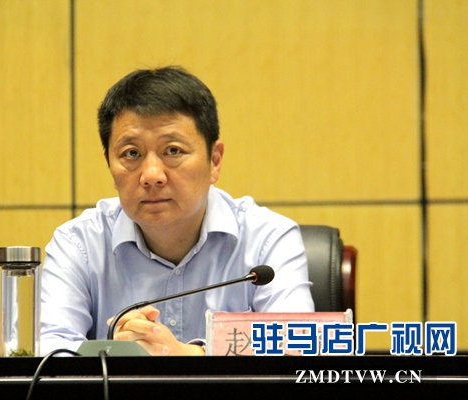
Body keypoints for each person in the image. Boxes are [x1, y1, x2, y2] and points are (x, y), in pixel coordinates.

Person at [40, 66, 314, 356]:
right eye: (131, 153)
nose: (152, 175)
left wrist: (192, 356)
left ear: (214, 160)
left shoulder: (267, 239)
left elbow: (298, 344)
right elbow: (46, 347)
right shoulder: (79, 244)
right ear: (109, 163)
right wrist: (114, 355)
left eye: (173, 151)